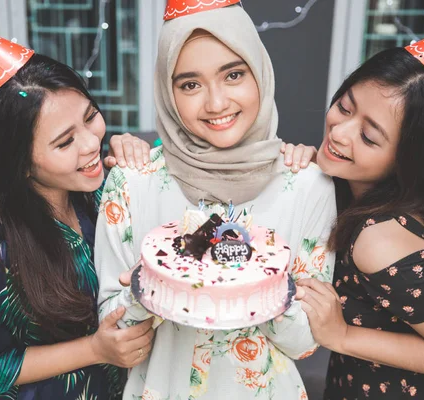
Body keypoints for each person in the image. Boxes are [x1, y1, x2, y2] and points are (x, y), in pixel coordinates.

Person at [95, 2, 337, 399]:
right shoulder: (131, 182)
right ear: (167, 93)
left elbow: (306, 344)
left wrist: (262, 284)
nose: (216, 103)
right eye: (190, 84)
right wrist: (153, 281)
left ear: (260, 71)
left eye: (234, 75)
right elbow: (115, 334)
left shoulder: (308, 185)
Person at [0, 17, 154, 399]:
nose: (92, 143)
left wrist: (137, 157)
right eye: (64, 142)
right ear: (21, 163)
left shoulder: (101, 192)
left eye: (90, 116)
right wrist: (95, 349)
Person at [281, 21, 424, 399]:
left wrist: (343, 334)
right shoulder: (384, 193)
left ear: (409, 160)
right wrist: (309, 167)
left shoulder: (380, 239)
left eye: (369, 137)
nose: (339, 132)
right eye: (344, 106)